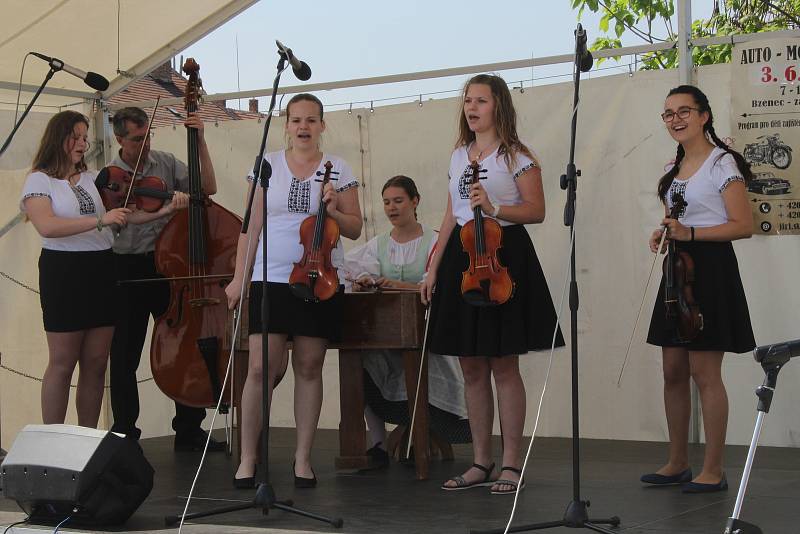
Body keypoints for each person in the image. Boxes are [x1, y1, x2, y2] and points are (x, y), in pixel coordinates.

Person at [420, 74, 564, 495]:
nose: (472, 107)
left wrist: (497, 206)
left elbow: (536, 211)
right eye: (467, 100)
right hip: (462, 256)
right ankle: (481, 460)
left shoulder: (516, 155)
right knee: (470, 364)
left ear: (498, 105)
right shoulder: (458, 155)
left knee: (504, 363)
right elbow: (451, 214)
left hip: (504, 255)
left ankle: (511, 463)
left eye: (480, 100)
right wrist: (433, 265)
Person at [225, 93, 362, 488]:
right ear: (286, 125)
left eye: (311, 120)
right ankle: (248, 459)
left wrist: (333, 207)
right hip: (270, 276)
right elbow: (250, 227)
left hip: (319, 279)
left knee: (308, 365)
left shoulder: (341, 168)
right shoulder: (266, 166)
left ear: (322, 125)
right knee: (258, 368)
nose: (303, 127)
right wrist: (239, 278)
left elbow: (353, 228)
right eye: (296, 120)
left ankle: (303, 459)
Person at [642, 85, 755, 493]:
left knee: (705, 373)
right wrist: (665, 232)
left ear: (704, 115)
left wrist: (690, 232)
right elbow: (677, 217)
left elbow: (743, 225)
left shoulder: (723, 164)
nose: (675, 119)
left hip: (709, 270)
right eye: (668, 113)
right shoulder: (674, 169)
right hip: (679, 268)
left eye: (684, 111)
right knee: (673, 370)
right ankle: (677, 462)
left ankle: (714, 469)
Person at [108, 106, 224, 452]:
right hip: (127, 267)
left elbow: (209, 188)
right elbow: (122, 220)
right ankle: (125, 432)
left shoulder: (167, 163)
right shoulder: (111, 178)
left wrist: (199, 140)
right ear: (118, 138)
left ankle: (188, 429)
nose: (144, 145)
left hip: (168, 268)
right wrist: (166, 208)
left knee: (183, 344)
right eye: (136, 139)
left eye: (148, 137)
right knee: (125, 353)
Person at [344, 175, 469, 467]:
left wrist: (394, 285)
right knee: (360, 364)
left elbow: (436, 286)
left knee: (424, 363)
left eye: (398, 201)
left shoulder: (436, 241)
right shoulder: (379, 244)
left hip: (429, 336)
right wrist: (366, 282)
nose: (391, 207)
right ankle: (376, 443)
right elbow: (351, 271)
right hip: (388, 335)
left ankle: (422, 434)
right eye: (387, 202)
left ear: (415, 202)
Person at [20, 111, 129, 428]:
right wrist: (100, 220)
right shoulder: (39, 180)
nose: (83, 143)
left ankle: (86, 440)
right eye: (77, 136)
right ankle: (52, 438)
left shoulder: (94, 178)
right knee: (63, 362)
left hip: (101, 267)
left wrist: (164, 207)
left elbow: (120, 217)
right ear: (60, 137)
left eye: (85, 137)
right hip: (64, 271)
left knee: (96, 362)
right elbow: (47, 226)